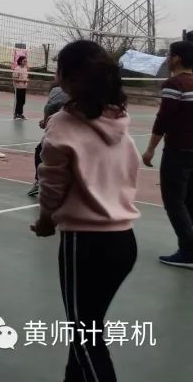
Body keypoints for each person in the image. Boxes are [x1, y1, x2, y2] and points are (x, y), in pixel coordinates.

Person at [32, 40, 139, 382]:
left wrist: (46, 220)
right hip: (124, 242)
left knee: (84, 336)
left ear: (67, 77)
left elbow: (51, 182)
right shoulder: (119, 120)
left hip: (86, 243)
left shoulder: (62, 123)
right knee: (88, 326)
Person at [141, 40, 193, 268]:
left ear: (177, 58)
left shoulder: (175, 84)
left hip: (179, 150)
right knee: (189, 200)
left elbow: (164, 119)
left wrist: (150, 149)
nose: (167, 58)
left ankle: (188, 252)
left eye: (169, 55)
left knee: (174, 201)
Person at [27, 80, 69, 197]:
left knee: (41, 150)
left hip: (61, 130)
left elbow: (49, 107)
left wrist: (45, 121)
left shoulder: (57, 90)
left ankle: (39, 182)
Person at [12, 55, 29, 120]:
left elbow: (26, 77)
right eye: (24, 61)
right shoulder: (17, 69)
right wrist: (23, 80)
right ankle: (16, 114)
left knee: (22, 101)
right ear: (20, 61)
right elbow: (14, 79)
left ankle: (20, 114)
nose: (25, 62)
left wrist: (26, 80)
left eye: (26, 61)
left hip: (24, 87)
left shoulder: (25, 69)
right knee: (18, 101)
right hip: (18, 87)